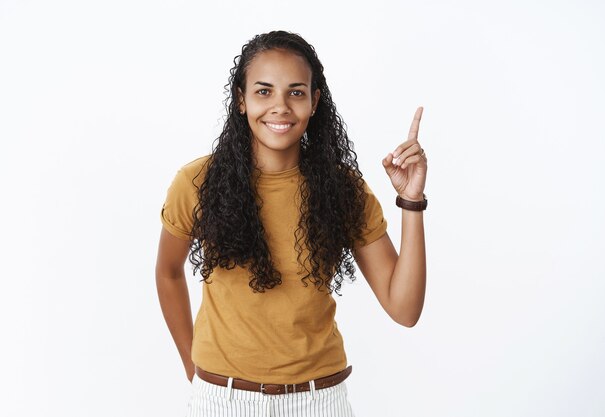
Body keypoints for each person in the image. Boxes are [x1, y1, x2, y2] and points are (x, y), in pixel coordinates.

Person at [155, 30, 427, 417]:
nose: (279, 107)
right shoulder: (198, 182)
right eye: (264, 91)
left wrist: (411, 201)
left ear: (315, 102)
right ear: (241, 100)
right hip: (223, 400)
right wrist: (190, 364)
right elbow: (167, 272)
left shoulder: (342, 189)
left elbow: (405, 309)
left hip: (319, 400)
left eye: (296, 92)